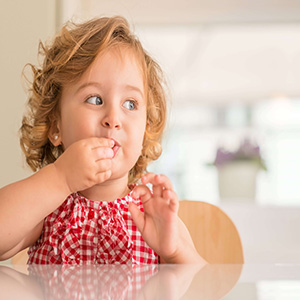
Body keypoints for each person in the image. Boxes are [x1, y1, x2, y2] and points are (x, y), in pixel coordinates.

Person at [0, 16, 205, 265]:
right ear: (56, 126)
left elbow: (201, 286)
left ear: (144, 131)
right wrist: (60, 178)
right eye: (95, 99)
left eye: (130, 104)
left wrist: (173, 252)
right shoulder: (49, 208)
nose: (113, 119)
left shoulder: (151, 216)